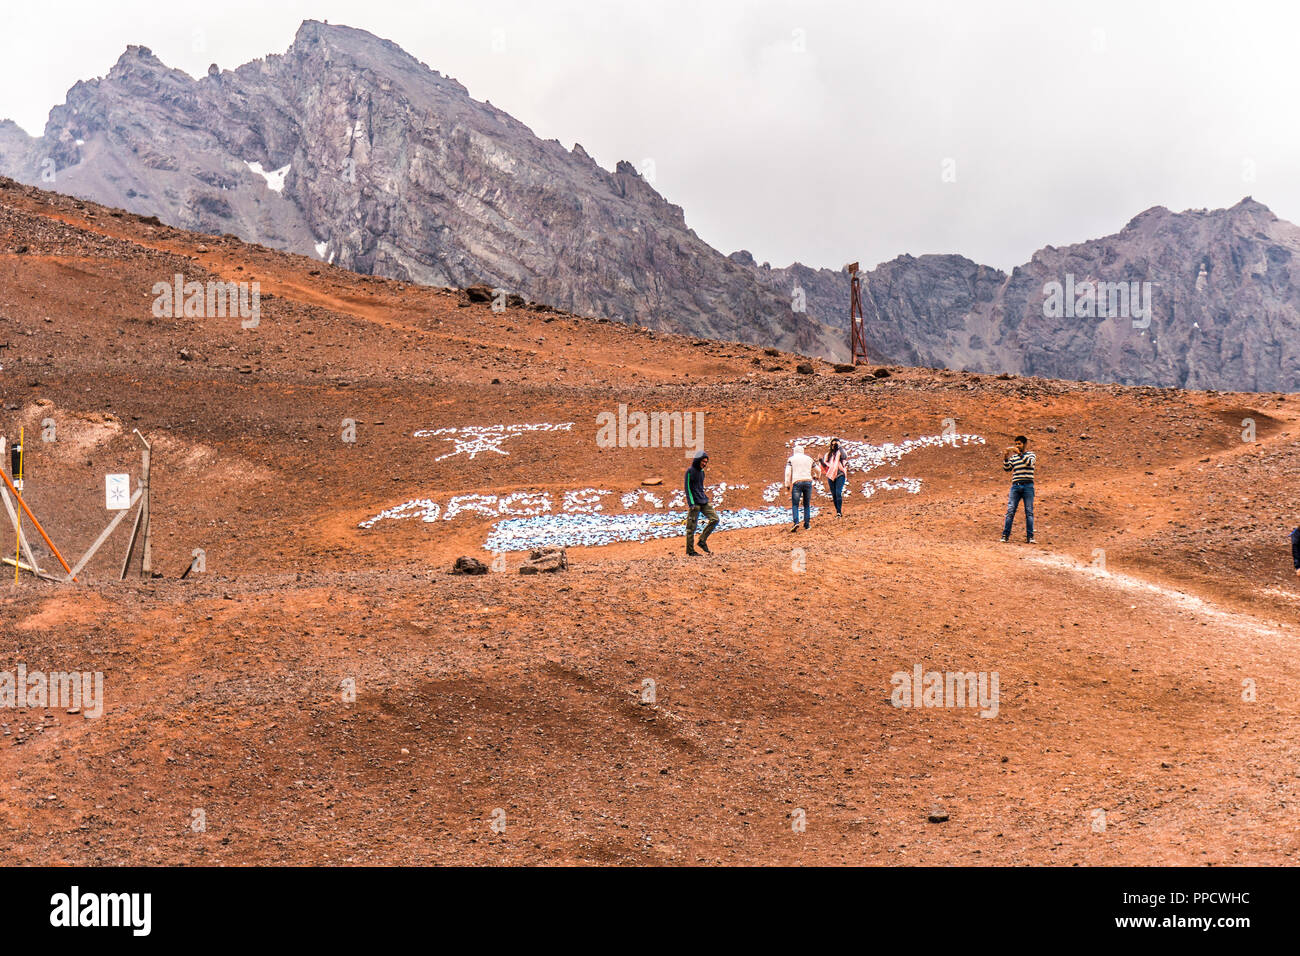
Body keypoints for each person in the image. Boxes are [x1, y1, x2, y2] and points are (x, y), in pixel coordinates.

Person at [1001, 435, 1036, 543]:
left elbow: (1029, 463)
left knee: (1029, 512)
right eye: (1016, 444)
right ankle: (1005, 535)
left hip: (1028, 486)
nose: (1017, 446)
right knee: (1010, 510)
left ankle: (1030, 537)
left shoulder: (1031, 455)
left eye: (1019, 444)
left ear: (1025, 444)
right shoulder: (1014, 457)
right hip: (1015, 486)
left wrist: (1020, 454)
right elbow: (1007, 468)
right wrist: (1006, 458)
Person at [684, 452, 718, 556]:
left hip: (703, 500)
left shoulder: (702, 472)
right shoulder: (690, 471)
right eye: (703, 461)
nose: (704, 464)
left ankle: (702, 541)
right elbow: (687, 488)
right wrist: (691, 503)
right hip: (695, 503)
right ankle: (690, 551)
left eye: (706, 462)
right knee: (691, 528)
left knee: (715, 519)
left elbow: (700, 487)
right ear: (698, 460)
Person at [785, 444, 822, 532]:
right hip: (808, 481)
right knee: (806, 504)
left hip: (797, 482)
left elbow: (787, 473)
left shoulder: (791, 459)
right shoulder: (809, 459)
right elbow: (818, 470)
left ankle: (796, 522)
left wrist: (787, 485)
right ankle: (807, 524)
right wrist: (817, 476)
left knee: (795, 504)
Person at [819, 438, 850, 517]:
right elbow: (826, 466)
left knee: (838, 492)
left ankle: (839, 512)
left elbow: (845, 456)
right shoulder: (828, 455)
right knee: (834, 494)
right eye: (832, 444)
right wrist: (821, 461)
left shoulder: (841, 453)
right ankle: (838, 511)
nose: (834, 446)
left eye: (835, 444)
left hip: (840, 474)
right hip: (831, 475)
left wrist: (839, 446)